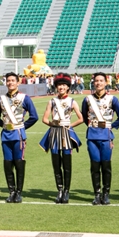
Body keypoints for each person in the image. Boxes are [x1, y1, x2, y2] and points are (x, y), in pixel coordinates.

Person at [0, 72, 38, 203]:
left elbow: (34, 116)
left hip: (18, 135)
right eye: (8, 81)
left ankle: (18, 192)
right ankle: (11, 191)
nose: (10, 83)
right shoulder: (1, 99)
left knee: (19, 163)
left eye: (13, 80)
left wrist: (22, 127)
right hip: (6, 135)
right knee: (7, 164)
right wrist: (5, 126)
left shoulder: (25, 98)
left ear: (18, 82)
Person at [81, 72, 119, 205]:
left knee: (106, 166)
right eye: (96, 81)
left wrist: (111, 126)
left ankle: (106, 194)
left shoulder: (113, 99)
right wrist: (93, 126)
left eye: (101, 80)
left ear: (106, 83)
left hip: (106, 136)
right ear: (93, 83)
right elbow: (84, 116)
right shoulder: (87, 99)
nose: (98, 83)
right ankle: (97, 194)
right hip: (92, 136)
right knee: (95, 166)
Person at [39, 73, 83, 204]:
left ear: (68, 87)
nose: (61, 87)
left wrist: (70, 125)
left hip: (66, 134)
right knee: (56, 164)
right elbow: (44, 119)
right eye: (59, 85)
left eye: (64, 85)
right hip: (54, 134)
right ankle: (59, 190)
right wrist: (53, 124)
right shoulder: (52, 101)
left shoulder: (72, 101)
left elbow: (81, 119)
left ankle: (66, 191)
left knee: (67, 164)